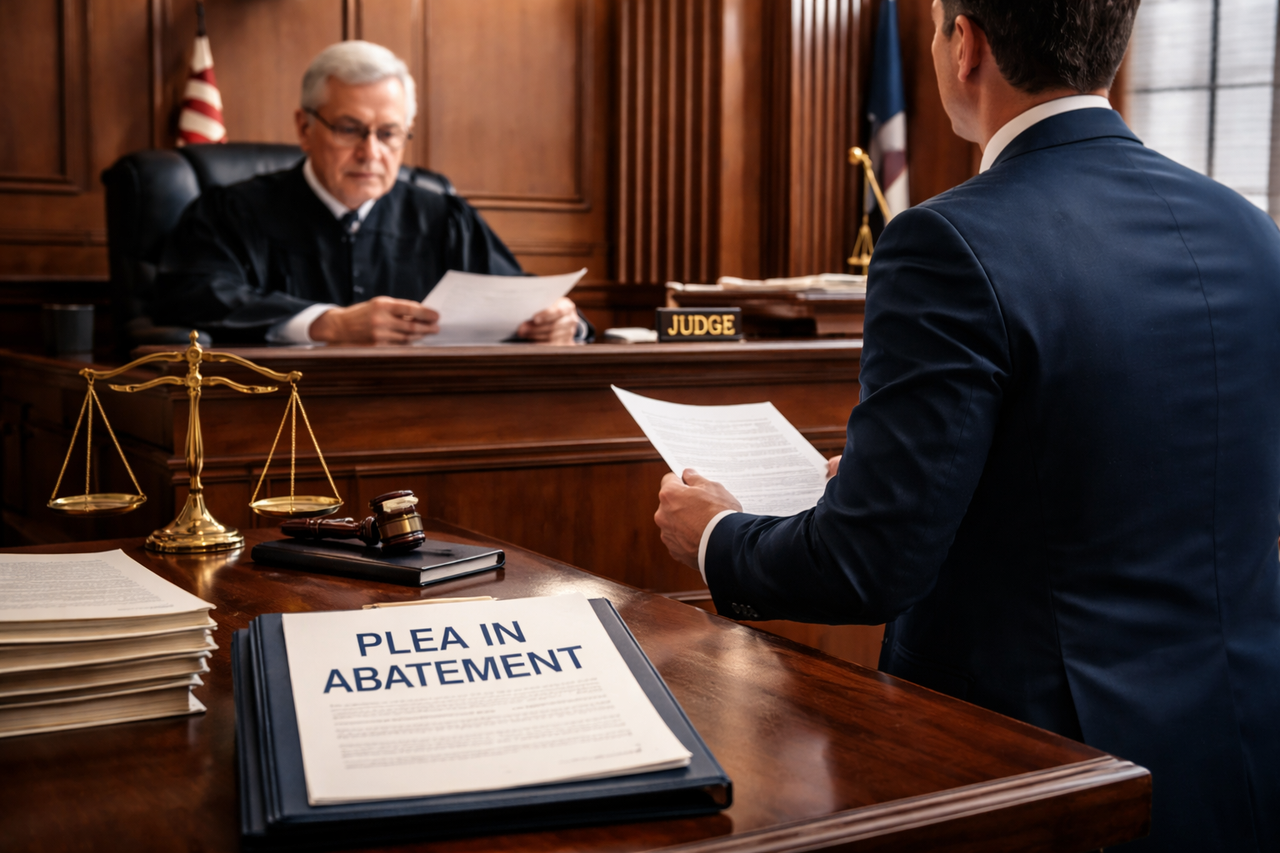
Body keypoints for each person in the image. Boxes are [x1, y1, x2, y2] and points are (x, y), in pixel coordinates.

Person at [653, 1, 1280, 850]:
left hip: (1042, 765)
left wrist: (715, 535)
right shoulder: (1250, 230)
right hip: (1240, 749)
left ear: (967, 45)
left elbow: (866, 566)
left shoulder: (946, 241)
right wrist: (917, 480)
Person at [152, 40, 586, 345]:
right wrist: (328, 324)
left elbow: (517, 294)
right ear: (304, 128)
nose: (371, 152)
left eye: (389, 133)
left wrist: (561, 321)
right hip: (282, 418)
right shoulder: (232, 212)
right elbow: (192, 295)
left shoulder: (443, 217)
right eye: (349, 129)